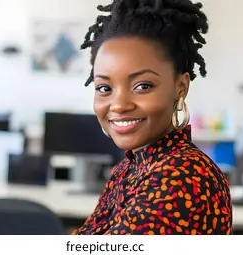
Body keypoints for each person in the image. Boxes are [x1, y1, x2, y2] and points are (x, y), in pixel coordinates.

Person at [72, 0, 232, 235]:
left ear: (180, 86)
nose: (119, 104)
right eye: (105, 88)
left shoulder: (185, 175)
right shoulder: (127, 169)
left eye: (142, 85)